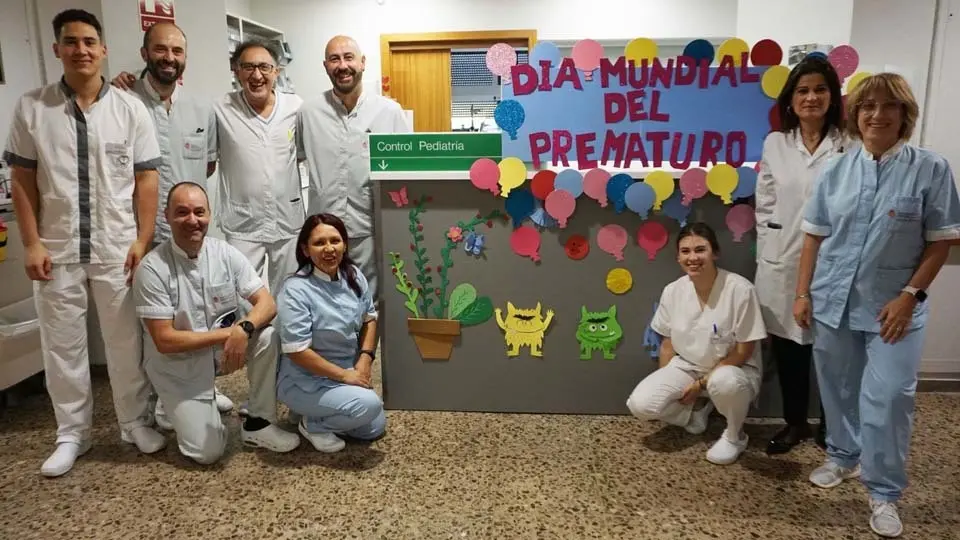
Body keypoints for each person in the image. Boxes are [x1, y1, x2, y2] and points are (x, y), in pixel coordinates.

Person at [795, 73, 960, 538]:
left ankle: (884, 491)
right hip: (833, 300)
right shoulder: (837, 169)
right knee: (837, 388)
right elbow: (813, 236)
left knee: (888, 398)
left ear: (905, 115)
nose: (877, 115)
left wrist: (910, 296)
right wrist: (803, 293)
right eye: (868, 106)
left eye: (889, 106)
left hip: (895, 308)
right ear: (856, 114)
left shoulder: (931, 169)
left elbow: (940, 242)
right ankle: (843, 456)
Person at [2, 9, 166, 477]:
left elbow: (147, 179)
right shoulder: (33, 107)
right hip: (56, 247)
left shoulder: (129, 109)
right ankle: (72, 433)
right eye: (71, 42)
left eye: (90, 41)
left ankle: (134, 422)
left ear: (104, 48)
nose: (82, 50)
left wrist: (142, 237)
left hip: (117, 246)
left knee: (123, 340)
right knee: (63, 345)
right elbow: (22, 180)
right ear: (57, 49)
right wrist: (31, 243)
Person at [109, 22, 233, 425]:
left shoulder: (201, 108)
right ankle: (152, 406)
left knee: (198, 310)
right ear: (145, 53)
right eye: (161, 50)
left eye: (177, 51)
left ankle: (203, 389)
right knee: (150, 323)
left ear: (185, 58)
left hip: (190, 228)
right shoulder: (122, 99)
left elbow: (208, 163)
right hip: (140, 232)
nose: (169, 58)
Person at [134, 182, 301, 461]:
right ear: (167, 216)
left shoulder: (224, 253)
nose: (192, 220)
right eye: (182, 212)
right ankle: (175, 403)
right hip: (178, 367)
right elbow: (164, 340)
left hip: (219, 356)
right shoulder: (152, 269)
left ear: (209, 215)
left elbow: (267, 303)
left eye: (199, 212)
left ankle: (258, 424)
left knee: (268, 336)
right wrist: (229, 335)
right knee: (207, 452)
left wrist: (245, 328)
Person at [755, 56, 847, 455]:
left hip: (835, 261)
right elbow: (765, 202)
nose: (812, 98)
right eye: (803, 90)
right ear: (790, 100)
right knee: (790, 348)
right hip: (783, 260)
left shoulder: (851, 142)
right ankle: (795, 422)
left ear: (833, 97)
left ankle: (832, 426)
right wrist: (769, 247)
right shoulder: (776, 142)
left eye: (820, 90)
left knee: (833, 348)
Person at [626, 222, 767, 466]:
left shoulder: (740, 290)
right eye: (685, 251)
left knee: (725, 382)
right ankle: (693, 414)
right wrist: (670, 387)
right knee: (641, 405)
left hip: (734, 370)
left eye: (700, 250)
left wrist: (701, 383)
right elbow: (668, 344)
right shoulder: (673, 291)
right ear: (678, 257)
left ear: (715, 252)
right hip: (687, 367)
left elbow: (744, 351)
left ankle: (735, 435)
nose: (693, 257)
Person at [297, 35, 412, 303]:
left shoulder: (389, 112)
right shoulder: (308, 112)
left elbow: (406, 172)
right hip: (323, 231)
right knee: (324, 300)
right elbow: (297, 159)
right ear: (325, 66)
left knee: (368, 300)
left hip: (370, 227)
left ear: (362, 63)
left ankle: (366, 347)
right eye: (334, 59)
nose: (342, 65)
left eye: (348, 57)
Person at [276, 213, 386, 453]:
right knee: (369, 406)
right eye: (319, 243)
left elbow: (370, 318)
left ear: (345, 244)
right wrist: (346, 377)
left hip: (345, 371)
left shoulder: (354, 276)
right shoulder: (295, 289)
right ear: (305, 250)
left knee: (374, 428)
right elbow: (297, 352)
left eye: (335, 241)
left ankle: (315, 412)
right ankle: (312, 424)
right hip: (304, 380)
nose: (329, 249)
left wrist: (366, 359)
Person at [215, 39, 304, 296]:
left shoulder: (295, 107)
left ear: (277, 71)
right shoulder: (221, 109)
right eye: (248, 67)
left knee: (290, 292)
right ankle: (253, 337)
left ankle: (284, 338)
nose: (257, 75)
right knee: (242, 296)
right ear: (236, 70)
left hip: (287, 221)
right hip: (243, 223)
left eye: (265, 67)